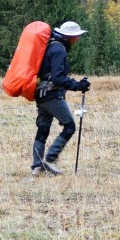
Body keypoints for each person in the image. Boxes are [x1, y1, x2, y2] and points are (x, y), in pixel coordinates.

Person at [32, 21, 90, 177]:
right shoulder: (59, 49)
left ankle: (37, 167)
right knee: (69, 126)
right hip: (52, 96)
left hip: (40, 94)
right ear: (68, 36)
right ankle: (50, 160)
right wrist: (78, 85)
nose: (78, 38)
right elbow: (57, 78)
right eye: (76, 35)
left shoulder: (50, 45)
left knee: (42, 130)